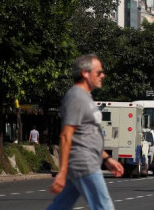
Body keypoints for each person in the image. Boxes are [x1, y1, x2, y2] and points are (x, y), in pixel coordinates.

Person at [47, 54, 124, 210]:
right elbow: (66, 135)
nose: (103, 75)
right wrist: (61, 173)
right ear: (85, 73)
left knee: (60, 206)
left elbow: (87, 135)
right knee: (104, 207)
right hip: (83, 163)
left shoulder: (86, 97)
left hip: (85, 160)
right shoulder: (76, 97)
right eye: (99, 72)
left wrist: (107, 159)